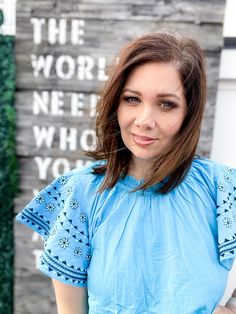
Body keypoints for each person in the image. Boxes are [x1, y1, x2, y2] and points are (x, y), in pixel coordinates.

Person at [16, 31, 236, 314]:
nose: (145, 121)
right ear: (115, 103)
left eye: (166, 104)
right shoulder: (81, 193)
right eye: (132, 99)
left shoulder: (222, 187)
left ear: (188, 112)